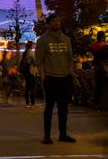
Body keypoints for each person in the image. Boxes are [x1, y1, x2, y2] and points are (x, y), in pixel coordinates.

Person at [35, 13, 76, 144]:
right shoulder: (42, 41)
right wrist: (43, 76)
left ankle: (63, 134)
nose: (56, 23)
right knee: (49, 108)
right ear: (48, 24)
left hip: (65, 78)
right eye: (53, 21)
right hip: (51, 78)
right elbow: (39, 60)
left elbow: (70, 58)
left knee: (64, 108)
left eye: (58, 21)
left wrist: (71, 73)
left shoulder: (66, 39)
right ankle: (47, 136)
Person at [89, 31, 108, 111]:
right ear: (103, 37)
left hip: (96, 67)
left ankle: (97, 103)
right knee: (106, 86)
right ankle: (107, 103)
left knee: (98, 86)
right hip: (104, 67)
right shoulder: (106, 47)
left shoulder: (93, 46)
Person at [19, 41, 37, 107]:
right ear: (31, 46)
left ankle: (27, 103)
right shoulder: (31, 53)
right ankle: (33, 103)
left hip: (26, 72)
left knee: (27, 87)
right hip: (31, 71)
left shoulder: (24, 53)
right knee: (33, 87)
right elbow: (35, 62)